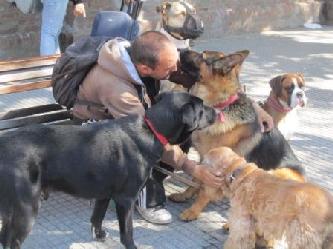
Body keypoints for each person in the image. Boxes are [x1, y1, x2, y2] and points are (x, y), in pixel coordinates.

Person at [72, 31, 273, 224]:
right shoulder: (118, 90)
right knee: (141, 148)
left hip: (139, 116)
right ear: (145, 70)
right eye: (169, 70)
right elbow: (148, 135)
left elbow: (220, 83)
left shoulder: (149, 54)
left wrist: (255, 108)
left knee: (183, 125)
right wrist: (193, 168)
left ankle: (160, 171)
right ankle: (146, 200)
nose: (176, 72)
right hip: (99, 132)